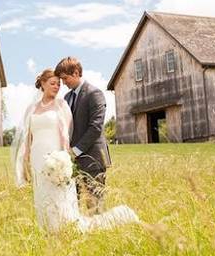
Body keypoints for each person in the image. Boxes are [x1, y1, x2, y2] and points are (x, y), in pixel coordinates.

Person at [11, 68, 138, 233]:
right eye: (53, 83)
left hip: (56, 158)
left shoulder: (61, 104)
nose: (57, 86)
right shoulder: (31, 109)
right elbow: (28, 136)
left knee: (59, 196)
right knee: (42, 196)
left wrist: (64, 159)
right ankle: (47, 230)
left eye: (59, 84)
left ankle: (65, 229)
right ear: (42, 83)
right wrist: (26, 159)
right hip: (37, 158)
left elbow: (66, 134)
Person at [55, 56, 110, 214]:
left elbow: (96, 127)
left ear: (76, 72)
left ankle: (100, 237)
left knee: (95, 207)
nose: (63, 83)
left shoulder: (94, 93)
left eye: (65, 78)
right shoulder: (67, 98)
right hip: (72, 163)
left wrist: (76, 151)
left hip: (93, 159)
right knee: (73, 206)